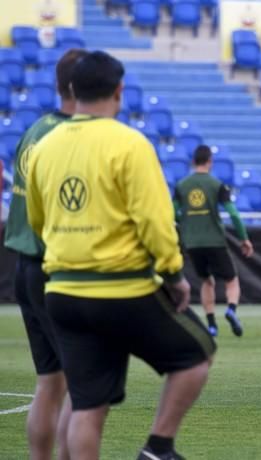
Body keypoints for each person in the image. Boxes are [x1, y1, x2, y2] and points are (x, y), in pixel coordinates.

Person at [25, 50, 215, 460]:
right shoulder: (130, 144)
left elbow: (38, 222)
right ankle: (158, 446)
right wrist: (174, 275)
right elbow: (155, 221)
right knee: (198, 353)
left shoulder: (43, 146)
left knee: (87, 406)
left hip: (61, 292)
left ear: (72, 90)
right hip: (121, 289)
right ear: (119, 91)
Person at [3, 48, 87, 460]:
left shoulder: (33, 129)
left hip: (25, 267)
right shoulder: (70, 137)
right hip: (58, 270)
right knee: (82, 384)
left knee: (48, 383)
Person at [174, 144, 254, 337]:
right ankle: (231, 310)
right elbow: (233, 214)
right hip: (215, 241)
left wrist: (185, 222)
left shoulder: (181, 186)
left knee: (206, 281)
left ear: (193, 162)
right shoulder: (217, 185)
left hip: (192, 242)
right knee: (231, 280)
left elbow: (171, 212)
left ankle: (211, 325)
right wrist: (244, 239)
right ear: (210, 161)